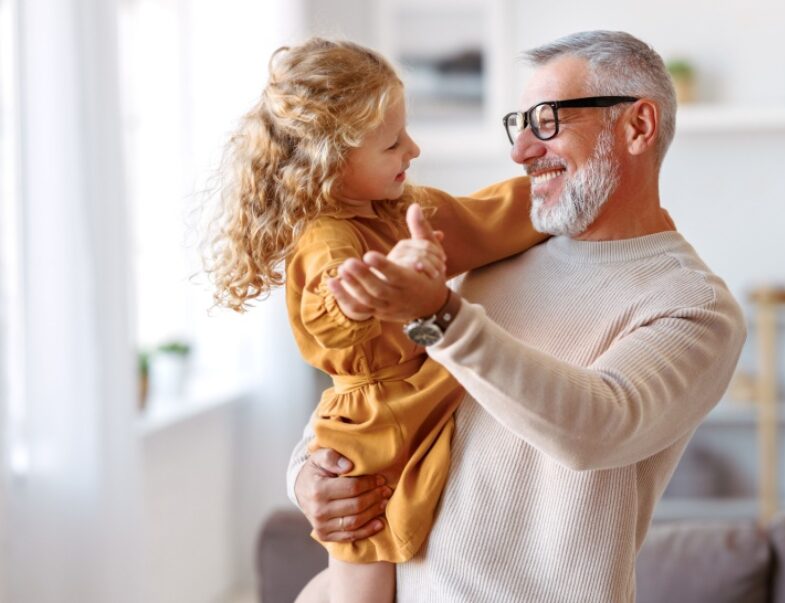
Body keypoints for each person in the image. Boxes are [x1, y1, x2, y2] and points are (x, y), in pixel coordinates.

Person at [287, 30, 747, 602]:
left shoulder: (691, 304)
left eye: (548, 121)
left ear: (638, 126)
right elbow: (370, 389)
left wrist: (440, 314)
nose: (521, 149)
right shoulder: (487, 258)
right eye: (520, 123)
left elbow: (595, 426)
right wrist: (310, 477)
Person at [204, 38, 545, 603]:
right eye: (392, 143)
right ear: (330, 159)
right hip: (371, 427)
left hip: (420, 393)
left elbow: (486, 219)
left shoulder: (403, 208)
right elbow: (335, 315)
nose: (413, 148)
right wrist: (383, 286)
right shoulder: (326, 237)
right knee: (363, 572)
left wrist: (558, 193)